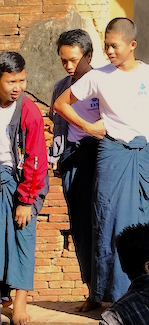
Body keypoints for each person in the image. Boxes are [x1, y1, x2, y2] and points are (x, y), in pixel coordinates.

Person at [54, 17, 149, 303]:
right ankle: (114, 295)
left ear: (132, 45)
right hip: (112, 156)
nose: (109, 51)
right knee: (110, 224)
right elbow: (60, 104)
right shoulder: (99, 76)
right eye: (106, 45)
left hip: (143, 156)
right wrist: (89, 127)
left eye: (114, 46)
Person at [49, 28, 101, 310]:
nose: (69, 67)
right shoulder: (61, 87)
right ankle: (92, 291)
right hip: (73, 157)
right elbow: (57, 124)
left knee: (104, 223)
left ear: (89, 56)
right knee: (81, 227)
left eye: (74, 60)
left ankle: (113, 292)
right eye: (64, 61)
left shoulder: (105, 82)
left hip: (103, 156)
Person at [0, 51, 48, 325]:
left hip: (22, 183)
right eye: (11, 82)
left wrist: (26, 200)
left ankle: (20, 302)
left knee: (22, 236)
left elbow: (36, 159)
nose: (17, 87)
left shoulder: (28, 111)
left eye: (22, 80)